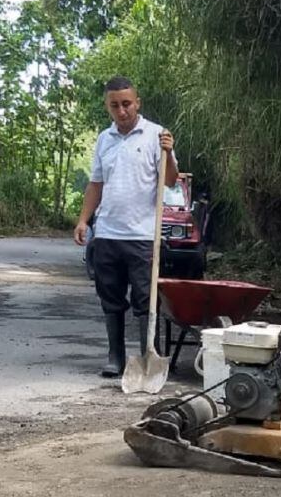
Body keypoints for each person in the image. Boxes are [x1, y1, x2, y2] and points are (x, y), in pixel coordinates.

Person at [73, 76, 178, 378]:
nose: (122, 111)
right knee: (110, 297)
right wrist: (84, 220)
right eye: (115, 105)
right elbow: (96, 183)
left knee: (145, 301)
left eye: (127, 104)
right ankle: (115, 356)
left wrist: (169, 153)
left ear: (137, 103)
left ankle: (148, 356)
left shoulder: (157, 135)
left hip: (143, 236)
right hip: (107, 233)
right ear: (108, 106)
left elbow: (170, 180)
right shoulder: (105, 139)